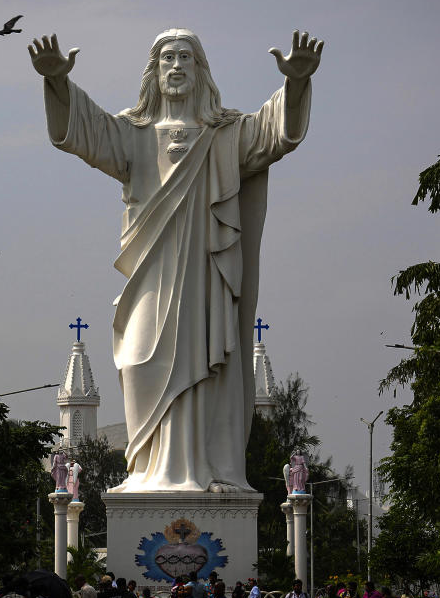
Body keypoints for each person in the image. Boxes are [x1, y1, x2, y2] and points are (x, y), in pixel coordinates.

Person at [30, 28, 322, 493]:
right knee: (140, 360)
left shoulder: (224, 134)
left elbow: (272, 134)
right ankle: (149, 471)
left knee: (207, 364)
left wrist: (297, 84)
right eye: (167, 57)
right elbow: (85, 132)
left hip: (205, 279)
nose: (176, 65)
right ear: (154, 70)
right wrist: (58, 83)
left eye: (186, 56)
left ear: (200, 69)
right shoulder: (133, 133)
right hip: (150, 274)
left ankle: (202, 468)